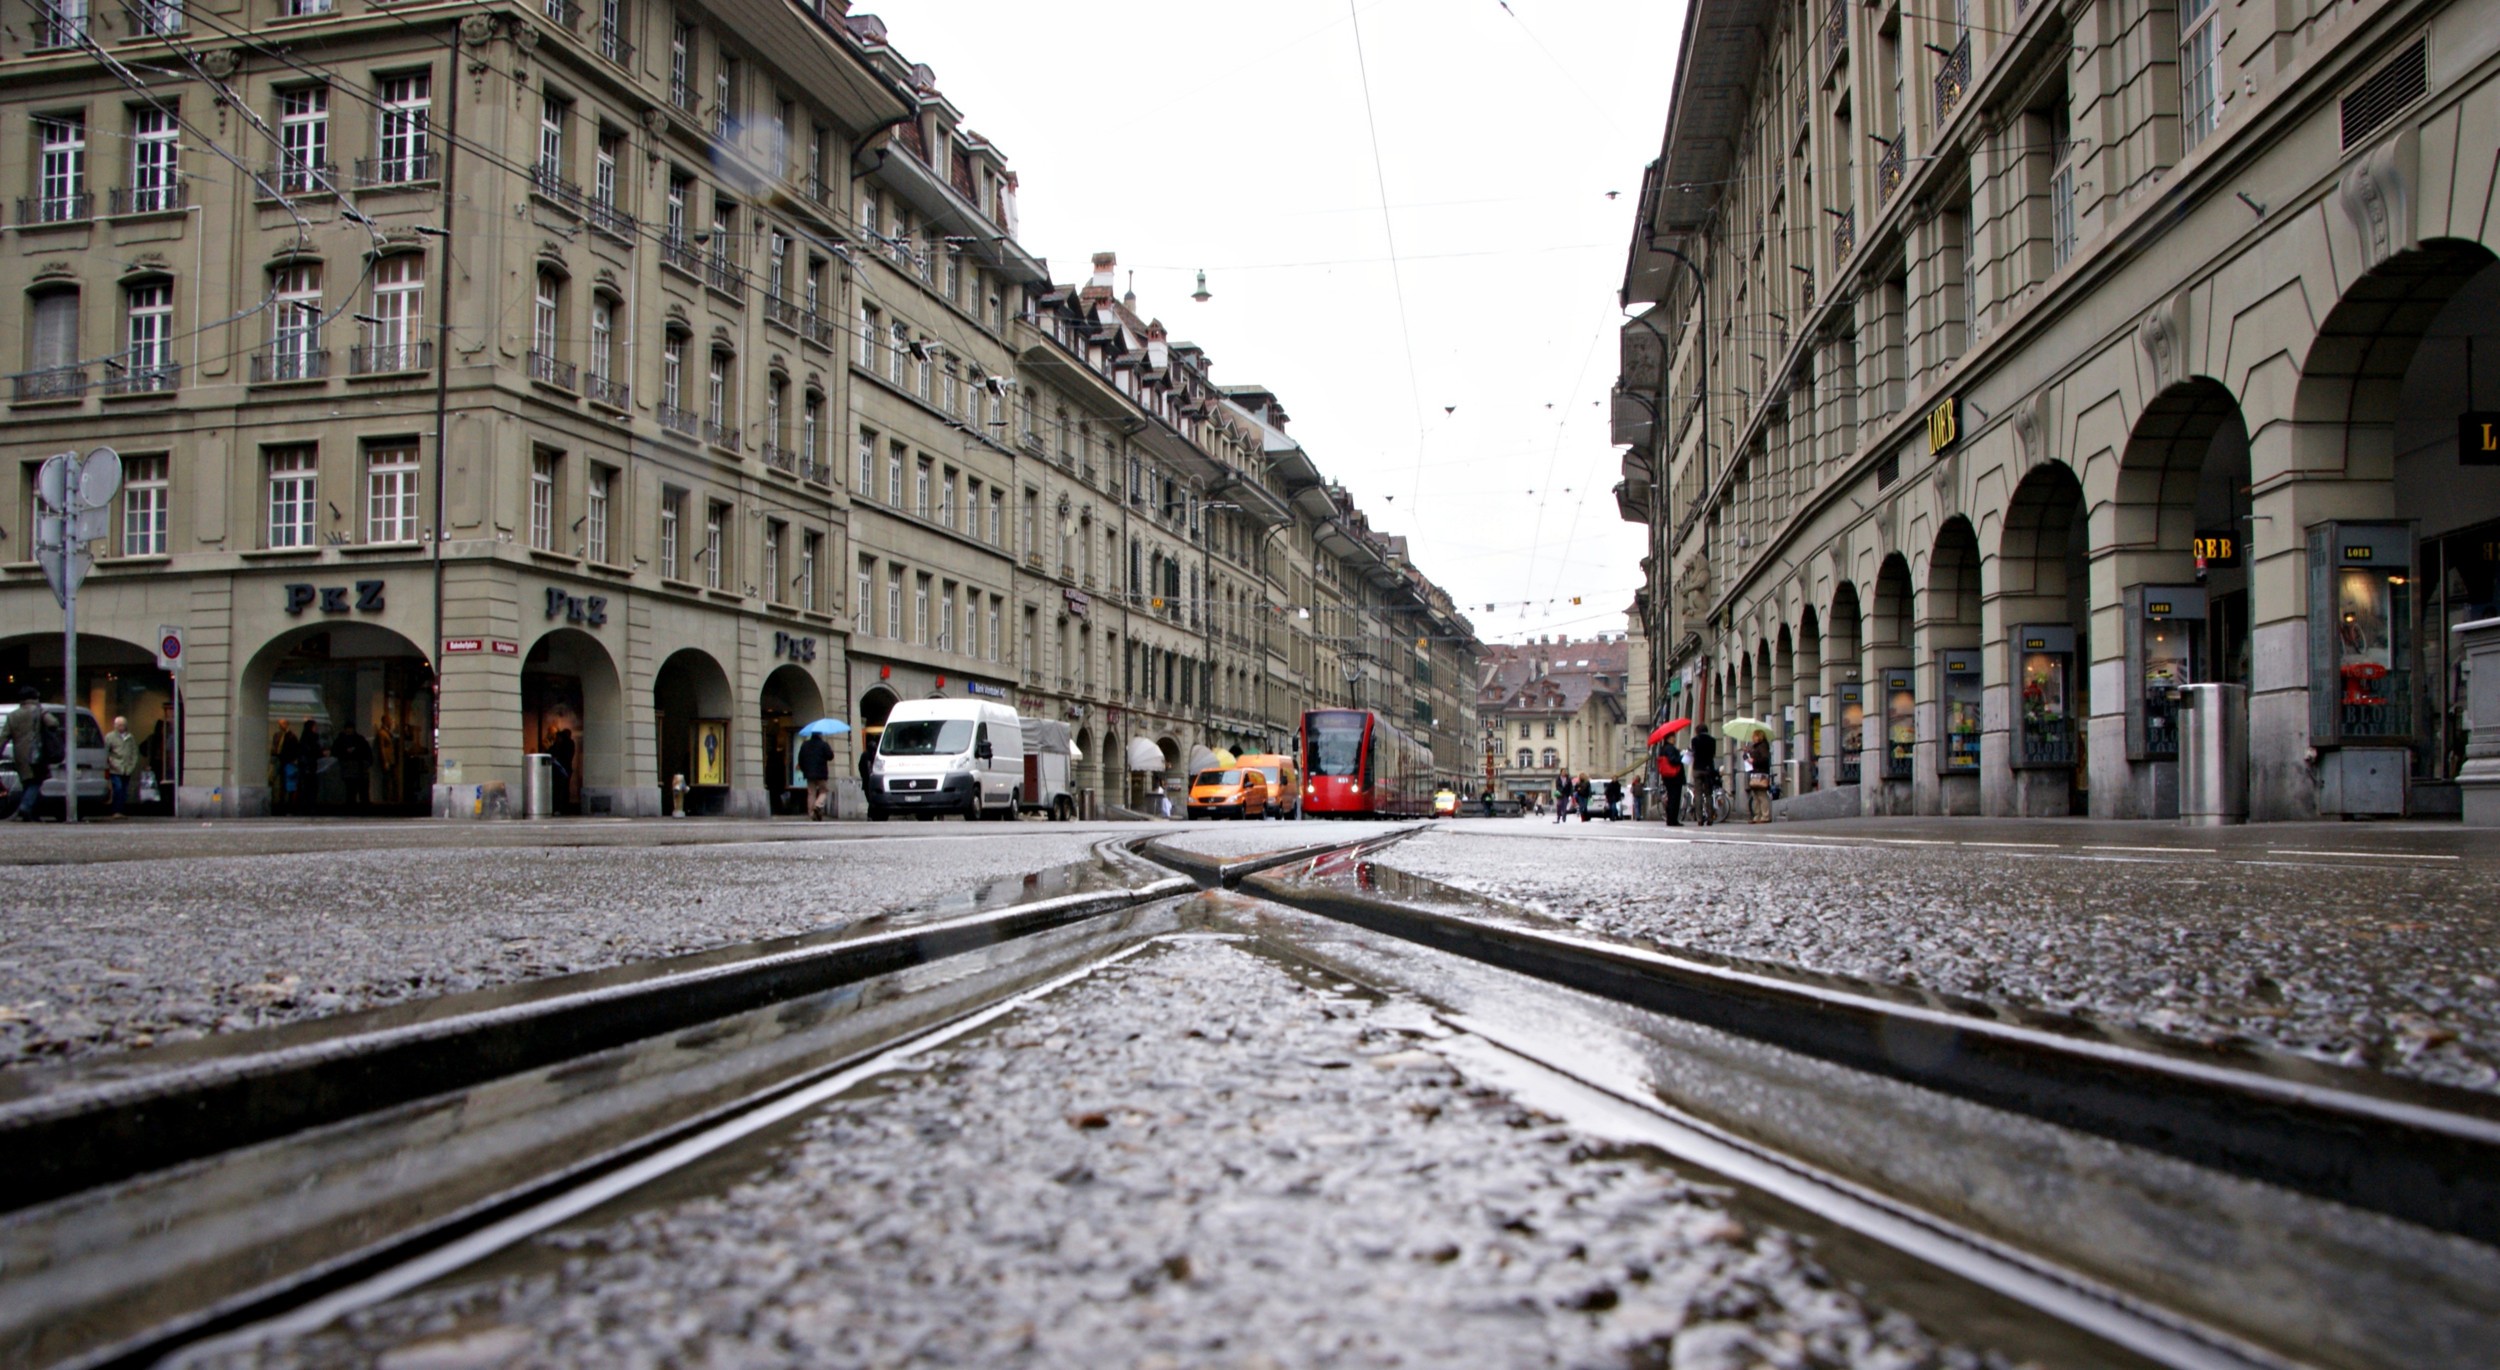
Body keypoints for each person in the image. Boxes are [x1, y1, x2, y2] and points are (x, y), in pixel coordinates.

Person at [7, 687, 47, 822]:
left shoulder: (12, 715)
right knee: (36, 781)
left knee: (27, 782)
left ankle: (32, 814)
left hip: (19, 754)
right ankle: (25, 806)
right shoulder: (39, 712)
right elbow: (53, 723)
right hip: (36, 753)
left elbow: (4, 736)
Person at [332, 724, 373, 814]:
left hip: (355, 769)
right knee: (355, 791)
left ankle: (356, 809)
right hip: (355, 769)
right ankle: (360, 809)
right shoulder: (358, 740)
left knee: (354, 791)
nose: (349, 731)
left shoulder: (343, 740)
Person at [103, 715, 139, 818]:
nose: (120, 727)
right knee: (118, 788)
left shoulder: (130, 737)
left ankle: (121, 810)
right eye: (118, 725)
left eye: (122, 725)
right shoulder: (110, 737)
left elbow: (134, 752)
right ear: (114, 725)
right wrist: (111, 763)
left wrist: (132, 765)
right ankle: (116, 810)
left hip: (127, 769)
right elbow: (106, 752)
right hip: (115, 768)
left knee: (124, 790)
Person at [797, 729, 835, 820]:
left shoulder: (805, 745)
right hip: (821, 773)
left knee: (811, 793)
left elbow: (800, 759)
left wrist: (804, 770)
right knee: (824, 791)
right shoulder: (823, 744)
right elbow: (830, 756)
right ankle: (818, 805)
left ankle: (811, 813)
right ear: (820, 735)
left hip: (809, 773)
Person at [1689, 726, 1719, 826]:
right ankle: (1710, 818)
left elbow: (1693, 753)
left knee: (1698, 794)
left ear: (1697, 731)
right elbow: (1713, 755)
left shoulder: (1694, 740)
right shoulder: (1712, 740)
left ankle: (1699, 819)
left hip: (1697, 768)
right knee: (1708, 794)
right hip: (1708, 769)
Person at [547, 726, 577, 813]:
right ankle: (561, 807)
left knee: (560, 789)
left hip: (561, 769)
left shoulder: (565, 745)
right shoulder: (565, 744)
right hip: (563, 769)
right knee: (562, 788)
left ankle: (560, 807)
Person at [298, 720, 325, 814]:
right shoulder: (311, 739)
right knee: (311, 788)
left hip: (307, 767)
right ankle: (309, 807)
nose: (316, 728)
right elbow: (313, 751)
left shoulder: (305, 738)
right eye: (314, 726)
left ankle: (305, 807)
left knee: (307, 788)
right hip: (310, 767)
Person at [1746, 733, 1774, 823]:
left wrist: (1753, 761)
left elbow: (1765, 759)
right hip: (1756, 772)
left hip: (1761, 773)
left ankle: (1765, 815)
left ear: (1759, 736)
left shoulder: (1763, 746)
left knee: (1761, 794)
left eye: (1754, 736)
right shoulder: (1757, 747)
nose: (1753, 738)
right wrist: (1748, 753)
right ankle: (1757, 815)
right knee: (1755, 795)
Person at [1657, 746, 1686, 826]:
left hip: (1668, 777)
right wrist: (1681, 756)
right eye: (1673, 737)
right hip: (1674, 777)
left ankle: (1670, 819)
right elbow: (1673, 760)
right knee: (1674, 799)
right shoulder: (1670, 748)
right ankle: (1672, 820)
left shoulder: (1663, 749)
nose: (1674, 738)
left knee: (1671, 798)